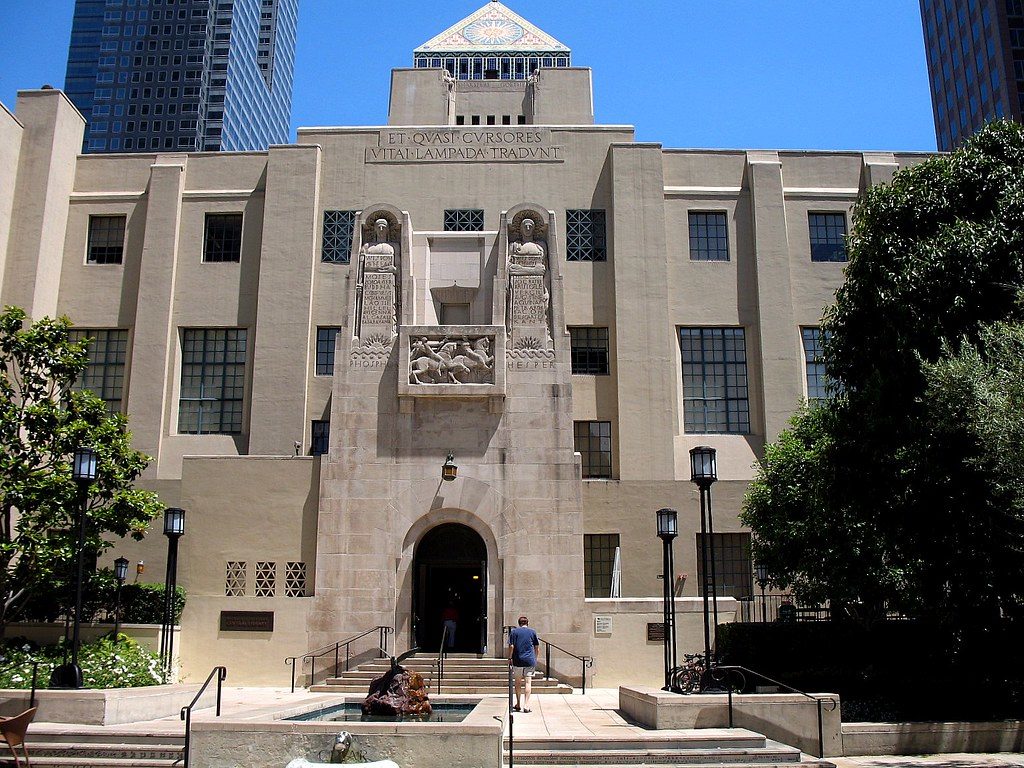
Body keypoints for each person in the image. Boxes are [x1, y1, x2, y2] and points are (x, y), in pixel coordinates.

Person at [507, 615, 540, 713]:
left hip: (517, 660)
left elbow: (511, 646)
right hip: (529, 660)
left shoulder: (514, 632)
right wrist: (535, 658)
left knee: (517, 682)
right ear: (527, 623)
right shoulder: (532, 632)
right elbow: (537, 647)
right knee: (528, 682)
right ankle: (526, 705)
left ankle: (518, 703)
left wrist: (510, 657)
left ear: (519, 623)